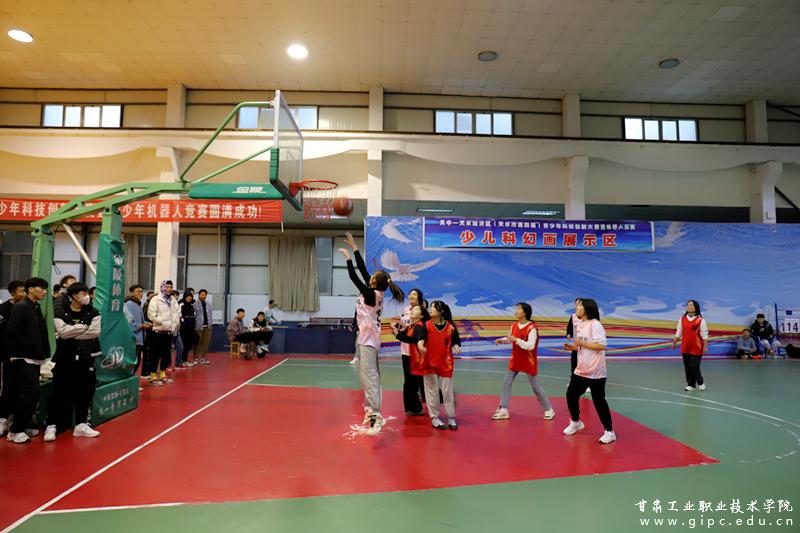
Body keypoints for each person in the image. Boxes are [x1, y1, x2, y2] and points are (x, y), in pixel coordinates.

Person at [338, 232, 404, 436]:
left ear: (374, 282)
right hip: (369, 338)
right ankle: (371, 409)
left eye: (373, 276)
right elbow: (364, 270)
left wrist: (348, 258)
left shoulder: (370, 294)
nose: (370, 276)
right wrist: (355, 248)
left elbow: (354, 276)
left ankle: (376, 414)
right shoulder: (376, 291)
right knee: (368, 375)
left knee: (369, 376)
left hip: (368, 339)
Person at [43, 283, 102, 441]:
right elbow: (62, 332)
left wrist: (71, 332)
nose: (86, 296)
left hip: (85, 358)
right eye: (83, 293)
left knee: (85, 391)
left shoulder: (93, 312)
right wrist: (83, 327)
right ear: (74, 295)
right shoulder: (61, 311)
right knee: (58, 392)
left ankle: (81, 425)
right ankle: (52, 425)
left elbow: (94, 332)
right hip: (65, 357)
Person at [4, 277, 51, 444]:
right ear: (31, 289)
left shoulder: (35, 307)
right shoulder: (21, 307)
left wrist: (44, 351)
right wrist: (29, 346)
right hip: (23, 357)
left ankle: (22, 426)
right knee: (28, 393)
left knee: (31, 394)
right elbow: (12, 331)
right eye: (41, 288)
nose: (44, 292)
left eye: (45, 289)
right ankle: (15, 430)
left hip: (34, 356)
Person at [562, 298, 616, 444]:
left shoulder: (595, 324)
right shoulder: (580, 324)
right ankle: (576, 422)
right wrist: (573, 347)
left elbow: (602, 345)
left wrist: (581, 343)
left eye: (580, 305)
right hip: (581, 369)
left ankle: (609, 431)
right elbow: (583, 346)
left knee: (598, 401)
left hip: (596, 371)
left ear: (587, 308)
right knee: (571, 395)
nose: (577, 307)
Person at [492, 302, 555, 421]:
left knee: (536, 387)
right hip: (516, 359)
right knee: (506, 383)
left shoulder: (532, 328)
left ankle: (548, 409)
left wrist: (516, 340)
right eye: (516, 309)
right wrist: (503, 340)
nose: (516, 311)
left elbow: (530, 346)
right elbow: (511, 338)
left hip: (528, 361)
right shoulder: (514, 325)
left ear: (525, 312)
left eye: (519, 309)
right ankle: (503, 409)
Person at [417, 300, 460, 430]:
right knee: (432, 391)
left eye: (434, 308)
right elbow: (420, 341)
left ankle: (451, 417)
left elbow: (455, 341)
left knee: (447, 391)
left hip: (445, 363)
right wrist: (421, 347)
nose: (430, 309)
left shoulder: (451, 327)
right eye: (430, 307)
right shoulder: (426, 326)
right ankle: (435, 418)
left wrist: (456, 347)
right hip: (428, 363)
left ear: (441, 311)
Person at [390, 288, 427, 416]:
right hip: (405, 349)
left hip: (416, 351)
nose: (411, 296)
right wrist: (397, 328)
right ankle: (412, 407)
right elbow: (405, 327)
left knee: (417, 380)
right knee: (409, 381)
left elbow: (418, 332)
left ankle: (422, 404)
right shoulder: (406, 310)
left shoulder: (421, 311)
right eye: (410, 294)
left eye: (414, 294)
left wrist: (400, 333)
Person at [0, 280, 26, 437]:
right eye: (21, 291)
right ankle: (2, 419)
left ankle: (17, 422)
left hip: (26, 355)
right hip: (8, 355)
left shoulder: (30, 307)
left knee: (22, 389)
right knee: (8, 387)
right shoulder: (3, 309)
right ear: (12, 293)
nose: (24, 294)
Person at [146, 280, 180, 386]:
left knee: (166, 355)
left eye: (171, 287)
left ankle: (162, 375)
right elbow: (151, 315)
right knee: (155, 355)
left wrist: (173, 325)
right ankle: (152, 376)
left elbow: (177, 313)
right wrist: (163, 322)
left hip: (169, 332)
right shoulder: (156, 299)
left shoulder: (173, 300)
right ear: (162, 287)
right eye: (167, 287)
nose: (169, 289)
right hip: (158, 332)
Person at [671, 300, 709, 391]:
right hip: (685, 346)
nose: (688, 306)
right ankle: (691, 384)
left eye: (691, 305)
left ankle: (700, 382)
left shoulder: (700, 320)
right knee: (687, 367)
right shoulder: (682, 319)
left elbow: (704, 334)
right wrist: (674, 342)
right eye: (687, 305)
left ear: (696, 307)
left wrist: (705, 346)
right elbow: (679, 331)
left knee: (694, 365)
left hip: (697, 346)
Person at [124, 285, 151, 383]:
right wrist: (142, 326)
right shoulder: (129, 304)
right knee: (133, 362)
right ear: (132, 293)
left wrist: (146, 323)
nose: (140, 293)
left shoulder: (137, 304)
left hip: (139, 338)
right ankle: (128, 383)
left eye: (141, 291)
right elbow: (128, 323)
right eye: (138, 291)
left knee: (137, 361)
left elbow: (138, 320)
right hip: (133, 338)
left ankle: (131, 383)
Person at [193, 289, 213, 365]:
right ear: (199, 295)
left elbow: (210, 315)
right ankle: (195, 358)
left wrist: (210, 325)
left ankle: (203, 358)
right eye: (202, 295)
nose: (203, 296)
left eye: (205, 295)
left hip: (208, 327)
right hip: (198, 327)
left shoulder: (209, 304)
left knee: (206, 343)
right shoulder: (195, 304)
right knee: (197, 343)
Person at [179, 291, 197, 367]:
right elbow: (180, 316)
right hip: (183, 329)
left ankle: (185, 360)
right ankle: (181, 361)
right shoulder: (181, 305)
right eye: (188, 297)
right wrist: (185, 324)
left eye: (190, 297)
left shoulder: (192, 306)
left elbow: (194, 316)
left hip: (191, 329)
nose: (189, 298)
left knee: (187, 346)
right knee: (183, 345)